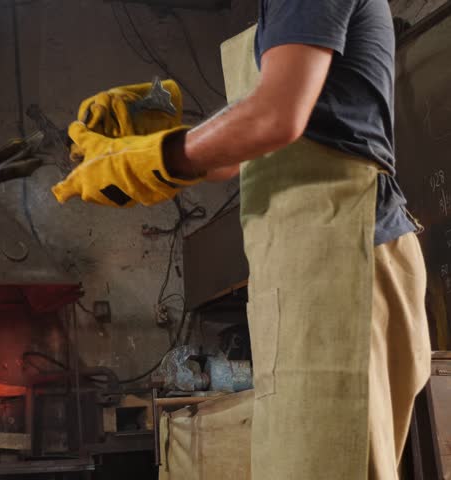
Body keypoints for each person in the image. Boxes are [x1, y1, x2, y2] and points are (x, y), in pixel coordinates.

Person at [52, 1, 431, 478]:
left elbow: (275, 117)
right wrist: (151, 146)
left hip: (339, 252)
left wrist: (164, 154)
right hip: (311, 257)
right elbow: (242, 153)